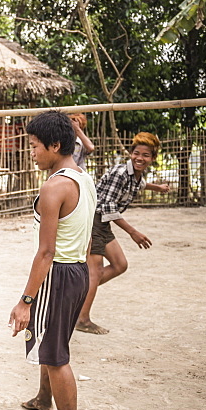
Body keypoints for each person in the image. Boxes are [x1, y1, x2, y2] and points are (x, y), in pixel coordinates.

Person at [8, 111, 96, 410]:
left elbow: (45, 252)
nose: (31, 152)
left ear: (55, 145)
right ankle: (44, 399)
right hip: (77, 270)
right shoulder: (84, 179)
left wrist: (25, 301)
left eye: (34, 146)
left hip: (58, 274)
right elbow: (86, 236)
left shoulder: (53, 187)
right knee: (51, 343)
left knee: (56, 355)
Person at [75, 132, 171, 335]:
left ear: (153, 158)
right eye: (136, 153)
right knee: (95, 271)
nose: (140, 158)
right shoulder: (120, 172)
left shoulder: (136, 175)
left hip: (103, 222)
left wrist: (158, 188)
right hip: (94, 219)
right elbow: (108, 207)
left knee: (120, 265)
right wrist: (132, 232)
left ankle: (76, 293)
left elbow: (140, 185)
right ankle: (82, 319)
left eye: (146, 155)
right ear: (130, 153)